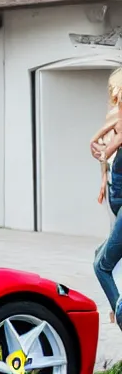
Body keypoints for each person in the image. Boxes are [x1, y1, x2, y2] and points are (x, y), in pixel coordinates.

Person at [91, 67, 122, 329]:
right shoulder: (115, 116)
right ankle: (118, 307)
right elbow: (104, 152)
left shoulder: (117, 117)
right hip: (115, 189)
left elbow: (106, 148)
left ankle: (119, 309)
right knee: (104, 254)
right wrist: (103, 178)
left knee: (104, 261)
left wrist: (99, 146)